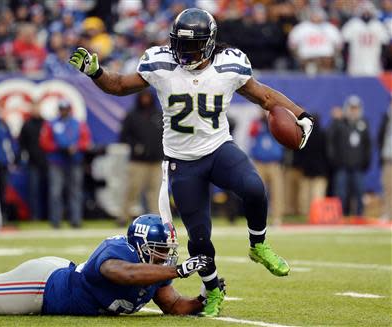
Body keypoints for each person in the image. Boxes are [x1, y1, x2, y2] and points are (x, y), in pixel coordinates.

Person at [69, 8, 314, 317]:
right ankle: (212, 290)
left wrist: (301, 114)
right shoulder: (160, 63)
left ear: (210, 43)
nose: (185, 52)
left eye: (193, 45)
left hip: (218, 148)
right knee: (199, 238)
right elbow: (118, 85)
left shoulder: (230, 65)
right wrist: (96, 72)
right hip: (182, 161)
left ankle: (258, 244)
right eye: (180, 44)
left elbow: (265, 97)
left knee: (254, 188)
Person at [0, 215, 214, 316]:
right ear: (141, 245)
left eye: (167, 252)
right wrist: (177, 270)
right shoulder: (118, 252)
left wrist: (203, 298)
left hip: (54, 279)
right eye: (159, 250)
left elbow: (174, 305)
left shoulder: (154, 270)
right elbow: (121, 273)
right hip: (42, 288)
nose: (165, 257)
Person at [39, 99, 92, 228]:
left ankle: (76, 220)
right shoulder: (51, 124)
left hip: (74, 161)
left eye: (66, 109)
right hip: (57, 161)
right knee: (55, 192)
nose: (64, 111)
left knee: (75, 191)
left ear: (69, 109)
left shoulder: (78, 124)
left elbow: (86, 141)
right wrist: (59, 147)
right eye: (62, 109)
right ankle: (56, 221)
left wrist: (76, 147)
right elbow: (44, 142)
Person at [119, 89, 164, 226]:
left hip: (156, 161)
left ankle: (156, 219)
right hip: (138, 162)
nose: (146, 99)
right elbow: (123, 136)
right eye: (143, 96)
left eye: (148, 97)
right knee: (132, 190)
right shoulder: (132, 115)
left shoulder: (159, 115)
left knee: (155, 193)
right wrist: (135, 146)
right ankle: (123, 216)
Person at [326, 95, 371, 216]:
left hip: (358, 167)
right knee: (341, 193)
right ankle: (341, 216)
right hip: (342, 166)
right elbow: (330, 141)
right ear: (347, 108)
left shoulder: (363, 124)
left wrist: (365, 162)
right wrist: (335, 161)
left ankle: (359, 216)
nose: (354, 111)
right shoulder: (339, 124)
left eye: (356, 108)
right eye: (351, 108)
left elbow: (368, 146)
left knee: (359, 192)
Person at [249, 112, 284, 225]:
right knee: (258, 193)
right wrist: (260, 122)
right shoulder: (257, 123)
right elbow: (251, 133)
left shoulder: (276, 122)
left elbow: (282, 133)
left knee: (277, 192)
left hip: (274, 163)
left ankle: (277, 218)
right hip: (259, 163)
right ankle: (258, 218)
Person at [19, 99, 47, 221]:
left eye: (37, 107)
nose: (36, 110)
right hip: (32, 162)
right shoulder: (27, 124)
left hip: (47, 162)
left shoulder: (46, 123)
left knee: (47, 190)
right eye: (34, 107)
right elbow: (21, 143)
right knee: (33, 191)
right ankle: (34, 216)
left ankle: (48, 216)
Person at [378, 101, 392, 220]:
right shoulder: (386, 118)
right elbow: (380, 137)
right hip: (389, 159)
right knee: (388, 188)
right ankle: (388, 213)